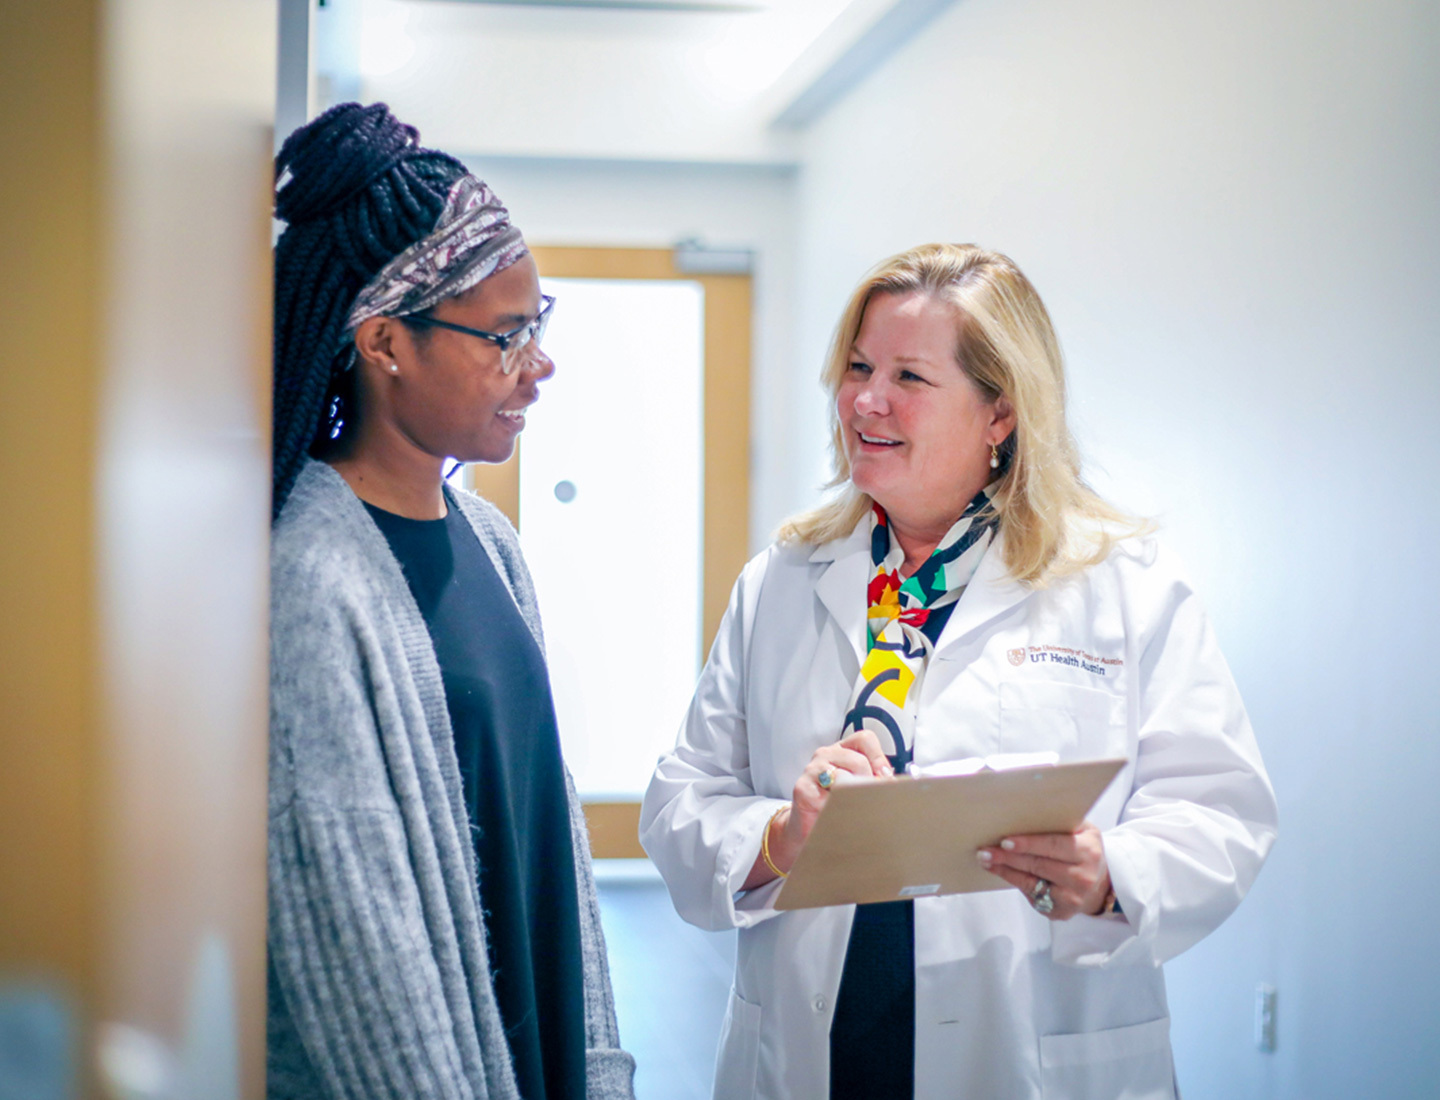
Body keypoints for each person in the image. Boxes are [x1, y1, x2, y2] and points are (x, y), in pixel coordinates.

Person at [640, 243, 1277, 1099]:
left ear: (1000, 414)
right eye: (859, 366)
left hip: (1033, 1051)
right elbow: (682, 801)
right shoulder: (785, 580)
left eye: (910, 376)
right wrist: (778, 839)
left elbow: (1220, 811)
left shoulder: (1122, 587)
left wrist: (1107, 877)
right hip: (814, 1045)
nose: (867, 399)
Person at [267, 102, 635, 1100]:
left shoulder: (492, 544)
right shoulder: (310, 581)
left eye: (539, 325)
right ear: (386, 340)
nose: (539, 364)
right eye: (506, 336)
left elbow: (548, 850)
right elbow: (355, 948)